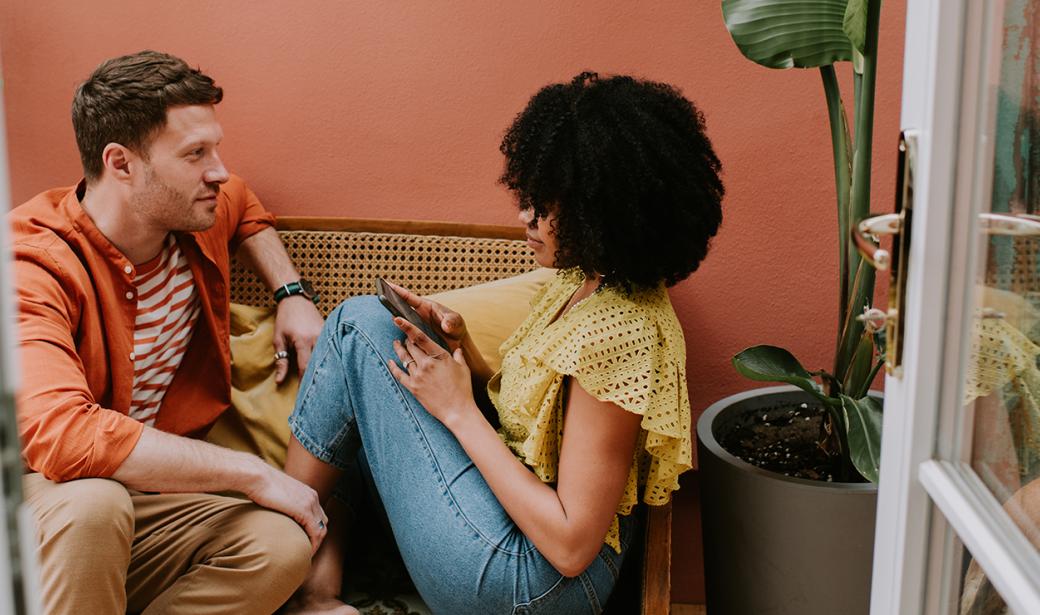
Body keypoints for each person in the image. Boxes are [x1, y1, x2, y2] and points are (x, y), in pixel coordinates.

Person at [282, 72, 724, 615]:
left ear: (601, 210)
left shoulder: (621, 331)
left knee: (354, 326)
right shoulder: (582, 279)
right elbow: (536, 424)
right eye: (529, 196)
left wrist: (459, 410)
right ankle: (316, 594)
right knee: (360, 397)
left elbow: (569, 544)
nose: (525, 217)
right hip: (517, 541)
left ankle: (274, 540)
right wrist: (459, 351)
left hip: (532, 586)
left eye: (545, 204)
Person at [10, 50, 328, 615]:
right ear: (121, 163)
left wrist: (291, 293)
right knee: (93, 505)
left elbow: (245, 203)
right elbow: (63, 434)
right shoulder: (30, 265)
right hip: (40, 497)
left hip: (144, 500)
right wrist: (252, 473)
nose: (219, 170)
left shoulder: (189, 213)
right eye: (195, 153)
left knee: (280, 544)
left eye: (216, 147)